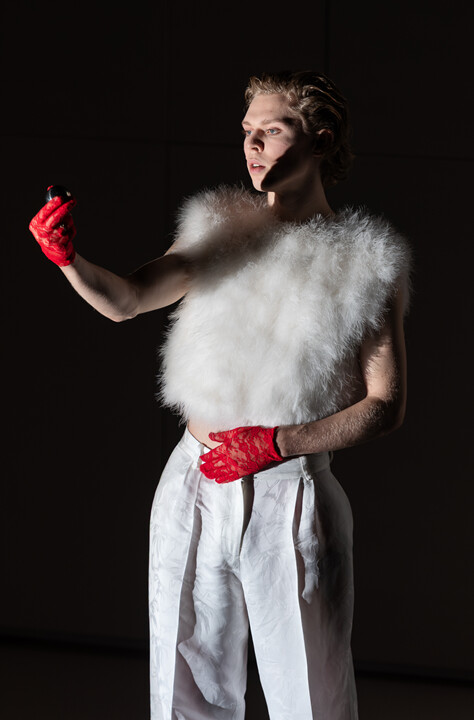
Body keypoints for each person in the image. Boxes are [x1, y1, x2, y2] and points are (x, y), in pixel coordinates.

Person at [29, 70, 411, 720]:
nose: (253, 145)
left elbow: (385, 404)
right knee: (183, 696)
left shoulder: (367, 260)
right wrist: (68, 259)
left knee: (312, 699)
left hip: (291, 497)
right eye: (246, 131)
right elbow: (127, 300)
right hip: (193, 484)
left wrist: (279, 442)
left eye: (272, 129)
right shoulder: (219, 225)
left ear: (321, 139)